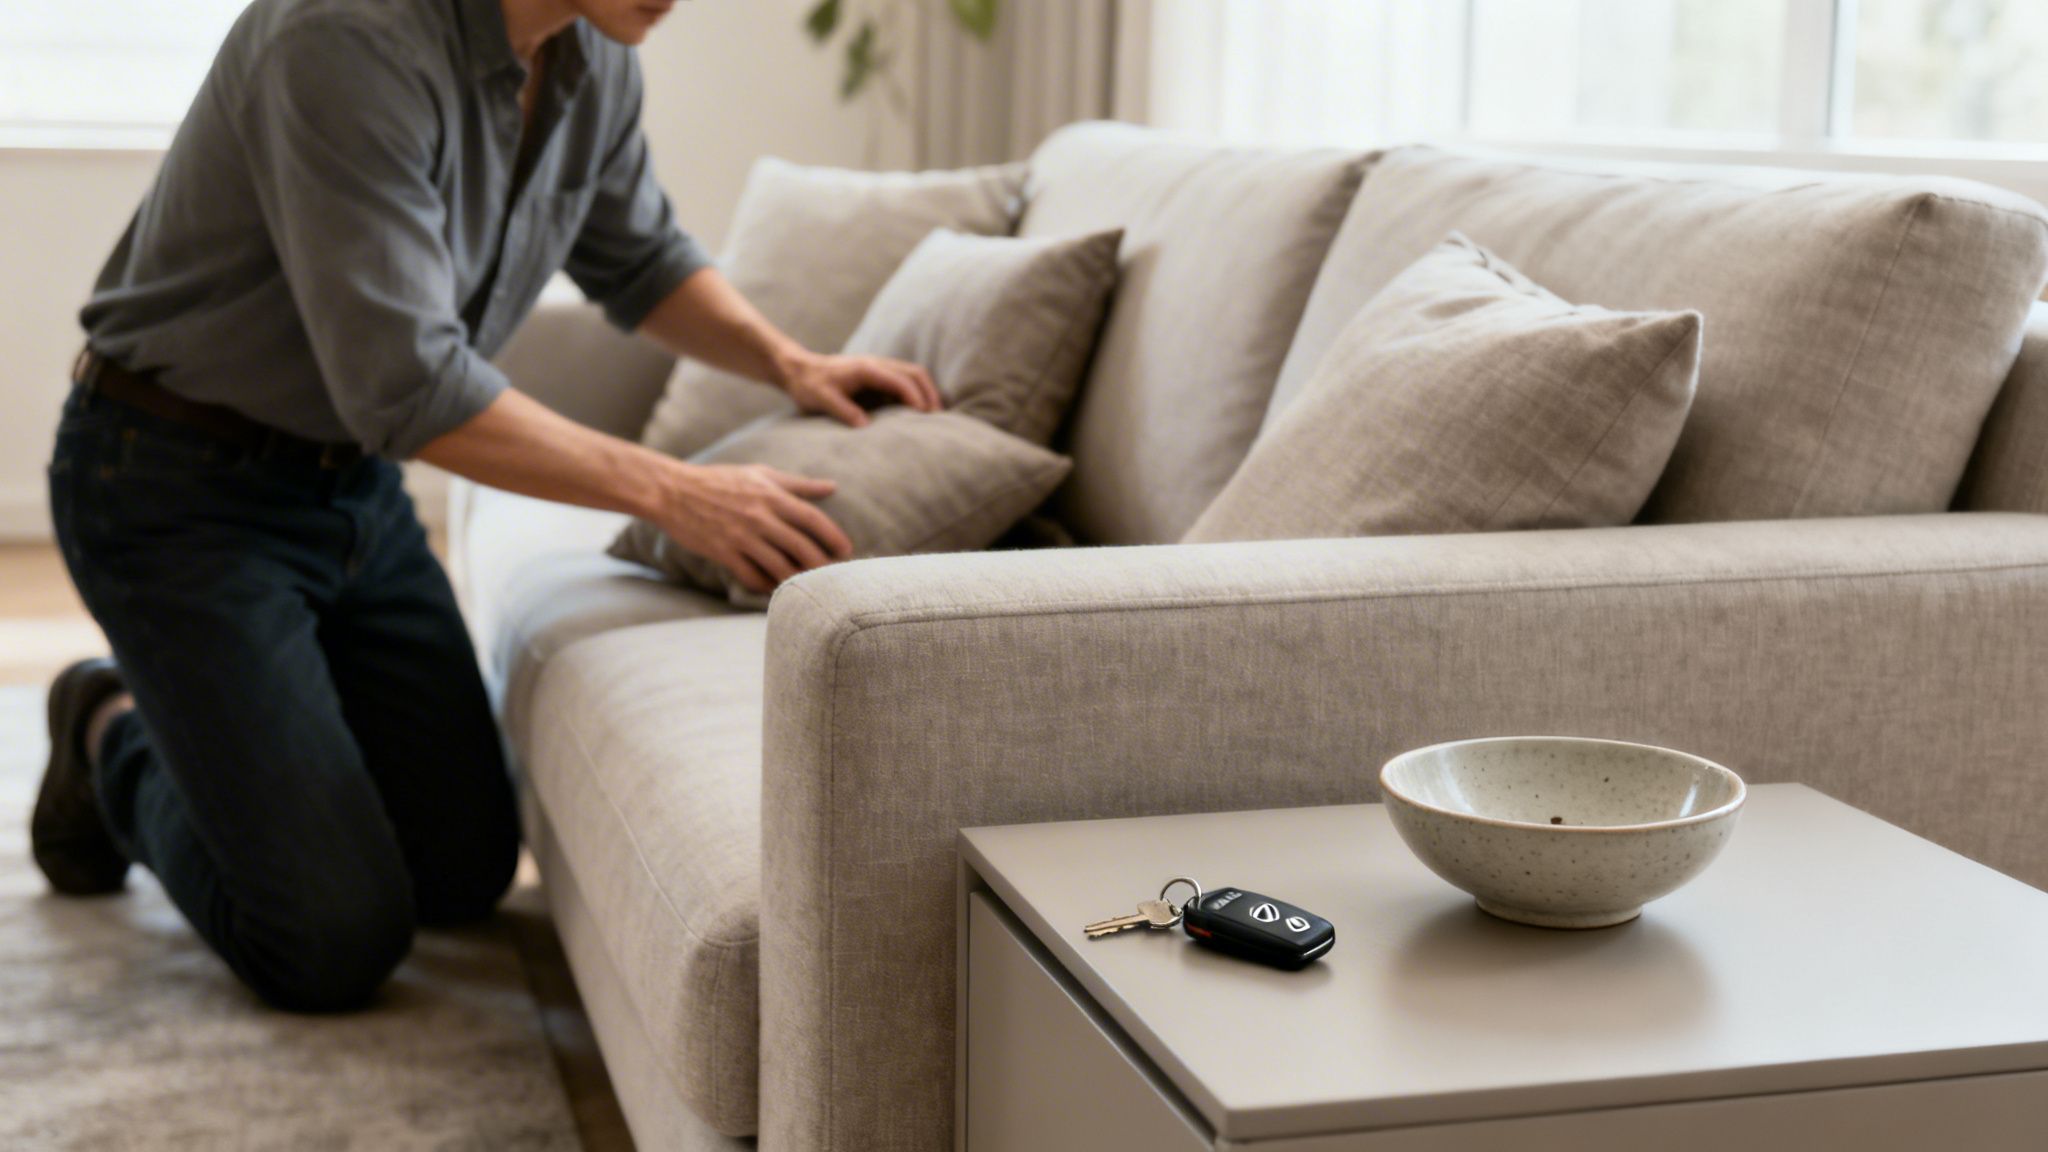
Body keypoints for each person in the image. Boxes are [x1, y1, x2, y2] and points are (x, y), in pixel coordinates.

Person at [32, 0, 939, 1012]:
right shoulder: (338, 39)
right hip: (175, 489)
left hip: (355, 492)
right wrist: (676, 491)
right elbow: (408, 387)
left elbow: (638, 258)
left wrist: (791, 364)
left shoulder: (590, 50)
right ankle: (104, 727)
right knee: (330, 938)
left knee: (461, 873)